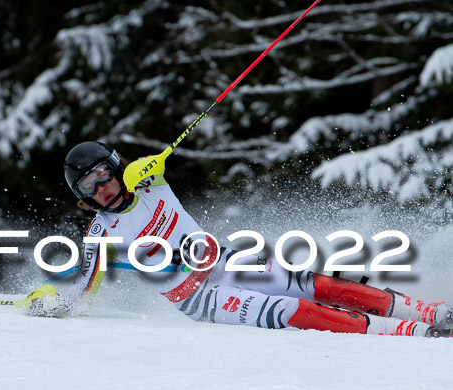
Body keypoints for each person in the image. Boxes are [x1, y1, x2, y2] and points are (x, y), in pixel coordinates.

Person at [28, 141, 452, 338]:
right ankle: (405, 332)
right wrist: (51, 301)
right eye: (88, 187)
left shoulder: (148, 182)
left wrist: (144, 166)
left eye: (103, 174)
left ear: (116, 167)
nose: (100, 188)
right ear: (82, 197)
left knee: (317, 283)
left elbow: (151, 165)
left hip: (226, 261)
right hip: (203, 300)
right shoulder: (101, 232)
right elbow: (82, 285)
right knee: (298, 310)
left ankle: (424, 311)